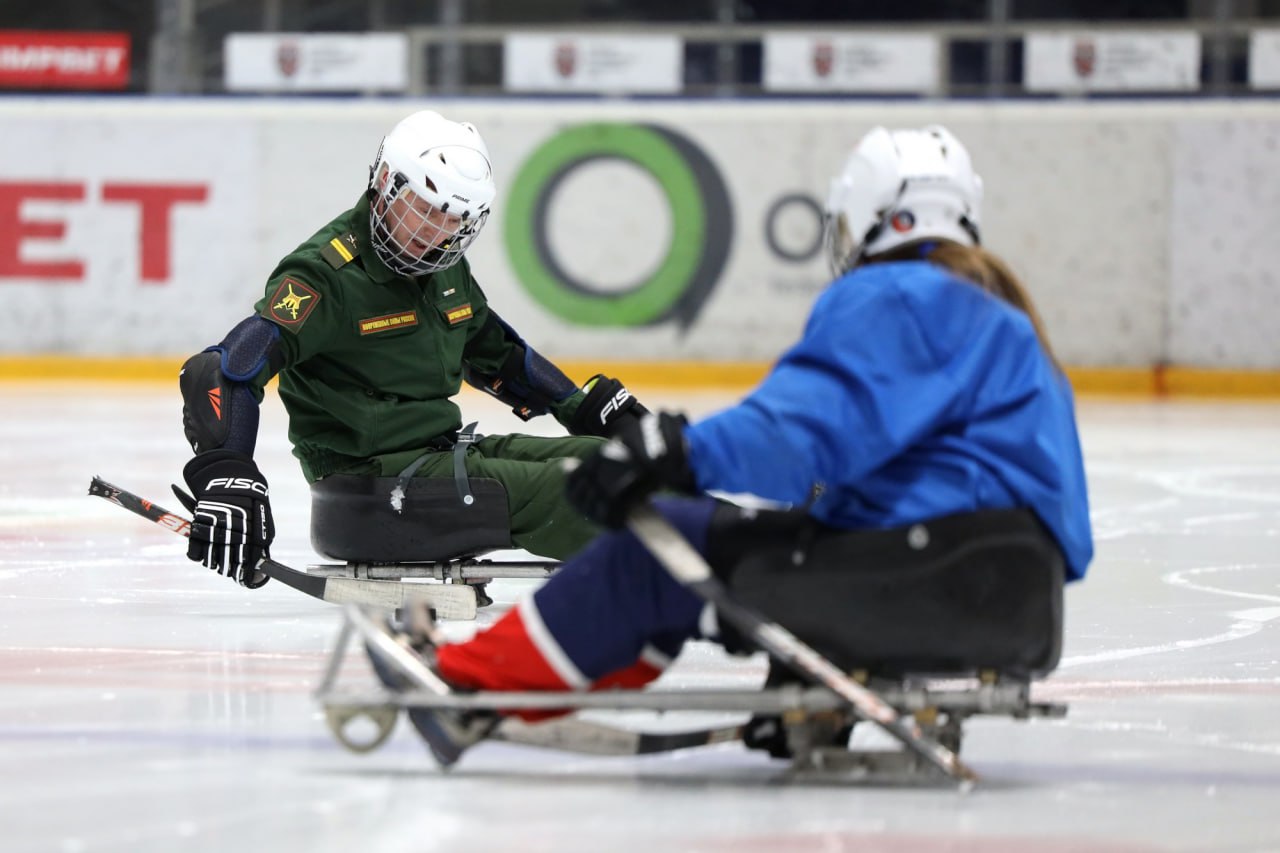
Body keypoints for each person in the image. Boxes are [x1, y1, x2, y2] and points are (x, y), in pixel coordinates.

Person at [368, 124, 1094, 767]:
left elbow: (801, 434)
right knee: (710, 542)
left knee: (660, 543)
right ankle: (498, 684)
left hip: (926, 576)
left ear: (872, 215)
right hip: (999, 590)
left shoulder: (900, 294)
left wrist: (667, 451)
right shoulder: (1003, 317)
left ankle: (465, 685)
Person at [176, 110, 647, 587]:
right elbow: (225, 369)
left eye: (455, 218)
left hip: (441, 457)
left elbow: (495, 351)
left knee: (618, 461)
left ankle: (707, 538)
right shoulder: (327, 275)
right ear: (385, 183)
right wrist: (228, 474)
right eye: (424, 207)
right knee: (581, 489)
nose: (436, 230)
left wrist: (582, 406)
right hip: (374, 490)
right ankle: (697, 560)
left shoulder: (443, 268)